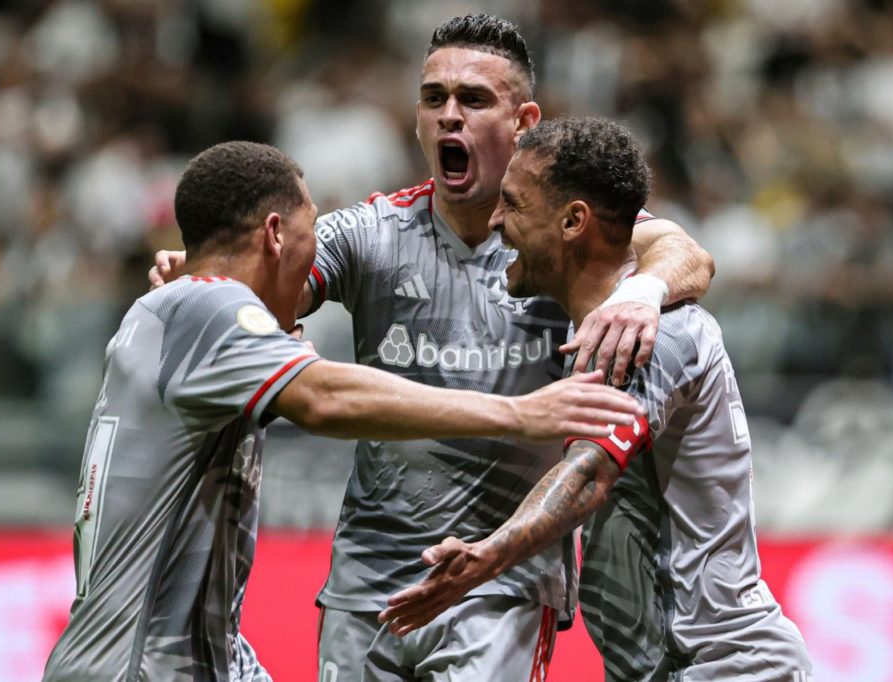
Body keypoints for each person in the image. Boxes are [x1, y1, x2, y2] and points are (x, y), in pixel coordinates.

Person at [150, 15, 715, 680]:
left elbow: (687, 254)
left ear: (524, 119)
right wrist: (208, 280)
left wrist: (643, 292)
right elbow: (275, 280)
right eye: (433, 98)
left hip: (499, 586)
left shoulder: (560, 240)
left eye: (473, 100)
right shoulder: (372, 231)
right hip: (368, 586)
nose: (450, 115)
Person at [43, 140, 642, 682]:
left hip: (193, 657)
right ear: (276, 234)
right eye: (311, 235)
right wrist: (520, 414)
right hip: (136, 668)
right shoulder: (207, 308)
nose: (316, 263)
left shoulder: (181, 316)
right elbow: (325, 398)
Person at [378, 117, 814, 681]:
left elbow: (588, 473)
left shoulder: (652, 338)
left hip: (725, 665)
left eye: (512, 204)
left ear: (572, 222)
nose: (494, 221)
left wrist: (491, 555)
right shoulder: (603, 325)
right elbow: (677, 249)